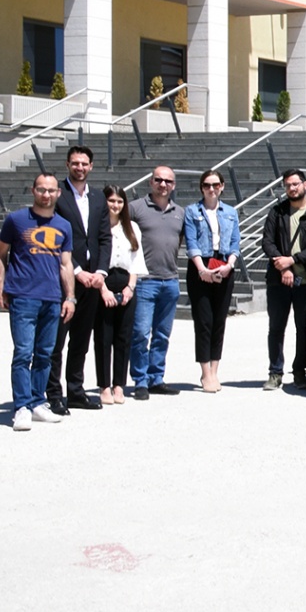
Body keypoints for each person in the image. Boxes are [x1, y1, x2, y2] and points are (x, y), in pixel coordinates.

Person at [0, 173, 76, 431]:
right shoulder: (16, 219)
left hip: (52, 297)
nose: (46, 194)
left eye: (51, 190)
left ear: (58, 193)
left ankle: (38, 401)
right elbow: (0, 253)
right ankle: (22, 406)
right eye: (41, 189)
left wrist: (70, 297)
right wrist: (1, 287)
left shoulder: (64, 225)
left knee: (45, 353)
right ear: (33, 191)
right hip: (23, 296)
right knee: (23, 353)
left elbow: (66, 264)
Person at [46, 144, 108, 413]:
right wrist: (78, 271)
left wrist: (101, 272)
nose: (79, 168)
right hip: (65, 278)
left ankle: (75, 391)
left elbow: (104, 237)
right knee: (56, 340)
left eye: (84, 164)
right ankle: (53, 394)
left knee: (81, 339)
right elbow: (54, 239)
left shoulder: (98, 197)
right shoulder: (57, 195)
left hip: (93, 280)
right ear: (67, 165)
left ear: (91, 166)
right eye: (75, 163)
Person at [260, 169, 306, 390]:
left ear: (305, 185)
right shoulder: (277, 212)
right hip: (278, 281)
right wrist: (284, 268)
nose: (292, 188)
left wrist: (292, 260)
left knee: (303, 328)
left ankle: (300, 371)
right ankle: (275, 372)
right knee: (276, 327)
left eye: (295, 184)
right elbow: (267, 242)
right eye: (288, 185)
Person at [127, 167, 186, 397]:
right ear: (151, 182)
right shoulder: (135, 208)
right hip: (145, 281)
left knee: (162, 334)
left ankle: (156, 378)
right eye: (159, 180)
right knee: (141, 333)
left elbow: (179, 240)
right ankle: (140, 380)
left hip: (170, 280)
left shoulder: (179, 212)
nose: (163, 184)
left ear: (174, 185)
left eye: (168, 181)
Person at [182, 168, 239, 393]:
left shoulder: (230, 212)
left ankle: (215, 371)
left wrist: (229, 265)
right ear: (201, 188)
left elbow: (235, 242)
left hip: (223, 265)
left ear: (222, 186)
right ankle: (205, 373)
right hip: (200, 266)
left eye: (215, 185)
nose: (211, 189)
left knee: (219, 321)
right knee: (204, 321)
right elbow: (191, 242)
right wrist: (202, 270)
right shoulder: (192, 211)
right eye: (207, 185)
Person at [93, 185, 143, 405]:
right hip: (102, 282)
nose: (115, 205)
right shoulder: (97, 226)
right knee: (103, 337)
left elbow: (136, 260)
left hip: (125, 282)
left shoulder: (131, 227)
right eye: (111, 200)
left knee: (123, 338)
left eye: (119, 201)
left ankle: (119, 385)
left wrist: (130, 288)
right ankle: (104, 386)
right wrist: (103, 289)